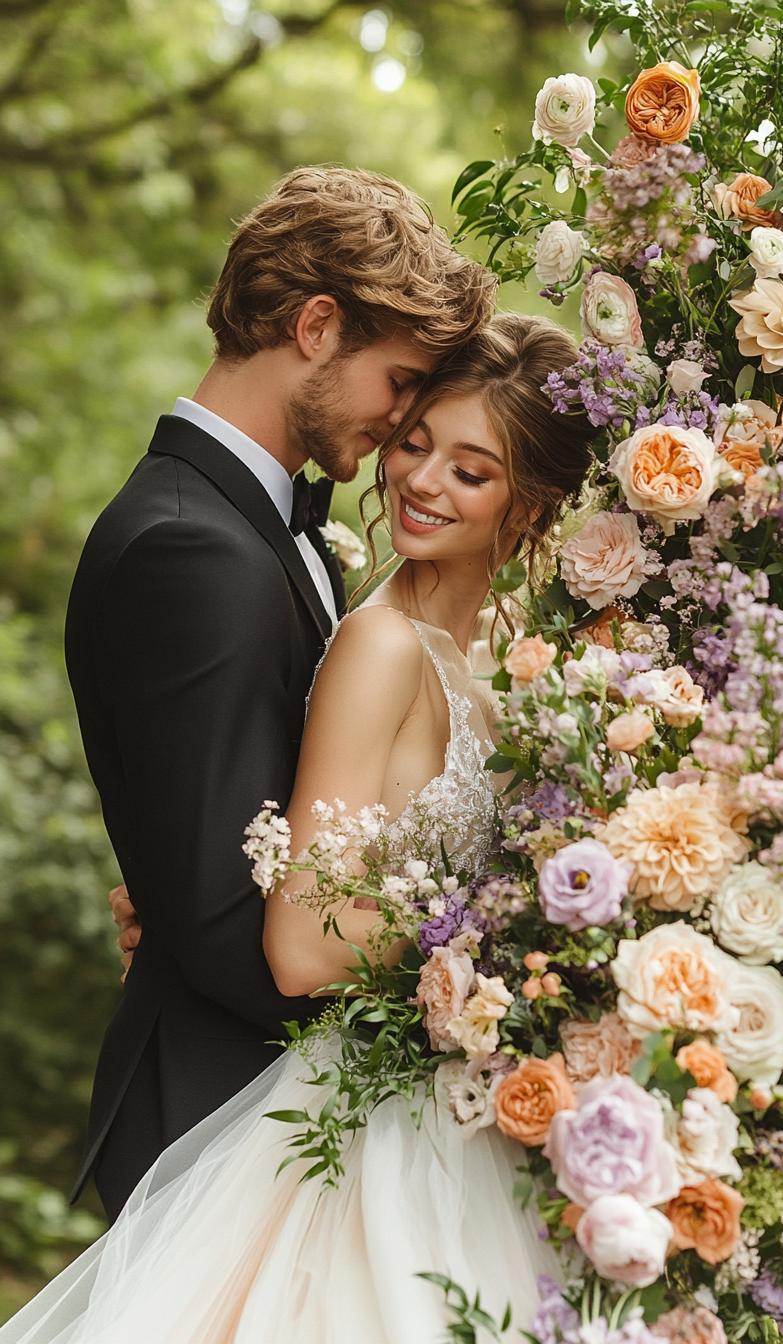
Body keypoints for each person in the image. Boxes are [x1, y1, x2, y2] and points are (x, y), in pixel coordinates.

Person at [4, 313, 593, 1343]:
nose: (419, 480)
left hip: (459, 1107)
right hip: (360, 1129)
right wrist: (515, 941)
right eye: (415, 443)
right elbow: (304, 937)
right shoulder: (379, 647)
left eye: (471, 470)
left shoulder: (500, 653)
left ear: (529, 505)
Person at [63, 164, 496, 1221]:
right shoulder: (188, 546)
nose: (402, 426)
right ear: (313, 325)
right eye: (399, 383)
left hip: (285, 1112)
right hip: (221, 1125)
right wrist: (467, 989)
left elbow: (241, 834)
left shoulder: (265, 529)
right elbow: (222, 920)